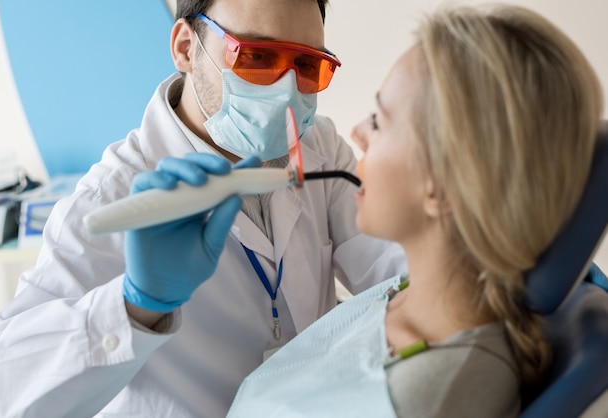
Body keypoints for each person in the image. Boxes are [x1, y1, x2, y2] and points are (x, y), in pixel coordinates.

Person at [0, 0, 406, 417]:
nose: (285, 90)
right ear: (186, 47)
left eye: (307, 65)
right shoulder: (109, 198)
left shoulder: (321, 150)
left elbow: (398, 262)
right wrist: (136, 306)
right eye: (256, 57)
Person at [225, 4, 605, 417]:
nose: (356, 134)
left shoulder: (422, 400)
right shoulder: (413, 297)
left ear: (441, 185)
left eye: (380, 120)